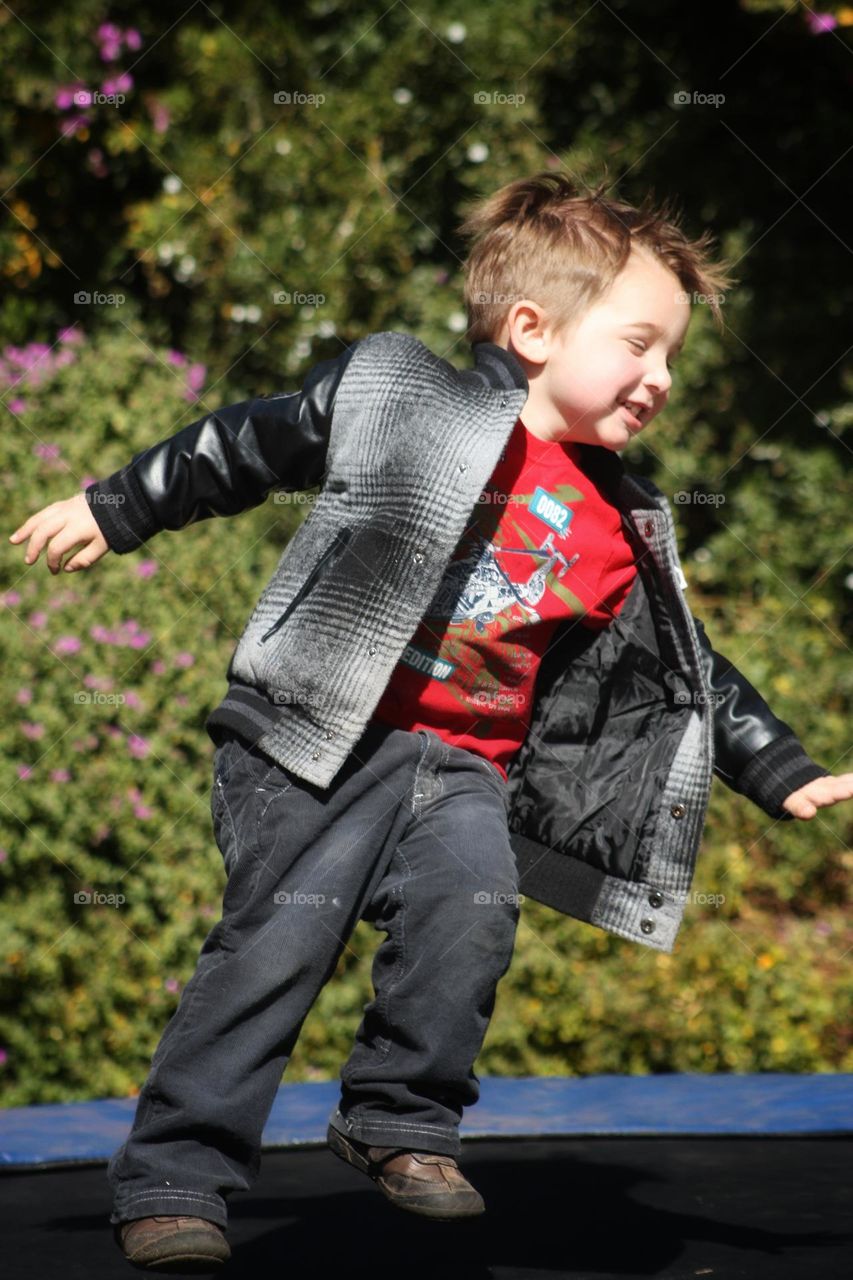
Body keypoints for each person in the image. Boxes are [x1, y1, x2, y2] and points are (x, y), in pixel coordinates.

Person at [10, 172, 852, 1273]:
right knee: (276, 947)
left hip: (457, 765)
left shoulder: (620, 513)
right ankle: (175, 1175)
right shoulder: (402, 397)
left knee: (473, 904)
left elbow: (685, 668)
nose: (661, 378)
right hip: (307, 738)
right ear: (531, 328)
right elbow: (247, 443)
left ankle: (397, 1118)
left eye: (672, 357)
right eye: (640, 344)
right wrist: (117, 505)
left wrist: (775, 761)